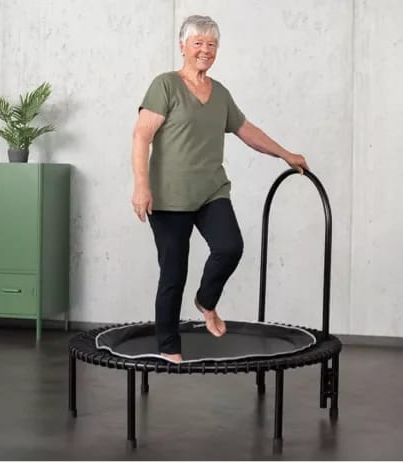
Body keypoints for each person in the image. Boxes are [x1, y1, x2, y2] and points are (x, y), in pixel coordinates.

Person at [130, 15, 309, 363]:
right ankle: (168, 348)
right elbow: (141, 136)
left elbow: (247, 131)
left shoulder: (220, 93)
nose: (205, 50)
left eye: (211, 45)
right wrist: (141, 185)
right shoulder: (165, 85)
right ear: (182, 46)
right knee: (173, 273)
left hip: (211, 190)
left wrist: (286, 154)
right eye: (198, 43)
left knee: (230, 247)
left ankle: (206, 301)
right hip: (168, 196)